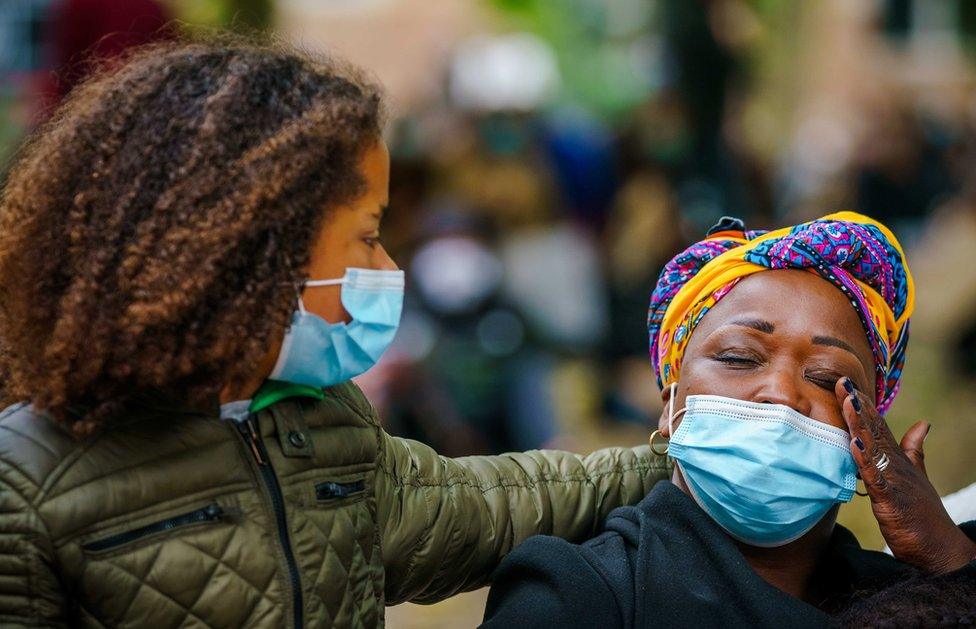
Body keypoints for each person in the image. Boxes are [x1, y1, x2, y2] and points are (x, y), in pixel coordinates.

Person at [0, 39, 669, 627]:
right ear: (250, 247)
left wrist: (674, 460)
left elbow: (481, 505)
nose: (389, 267)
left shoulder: (323, 419)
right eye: (369, 236)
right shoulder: (26, 482)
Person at [482, 213, 976, 628]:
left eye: (828, 378)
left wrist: (953, 564)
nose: (781, 393)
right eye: (739, 357)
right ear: (671, 405)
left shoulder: (914, 595)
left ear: (871, 430)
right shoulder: (579, 595)